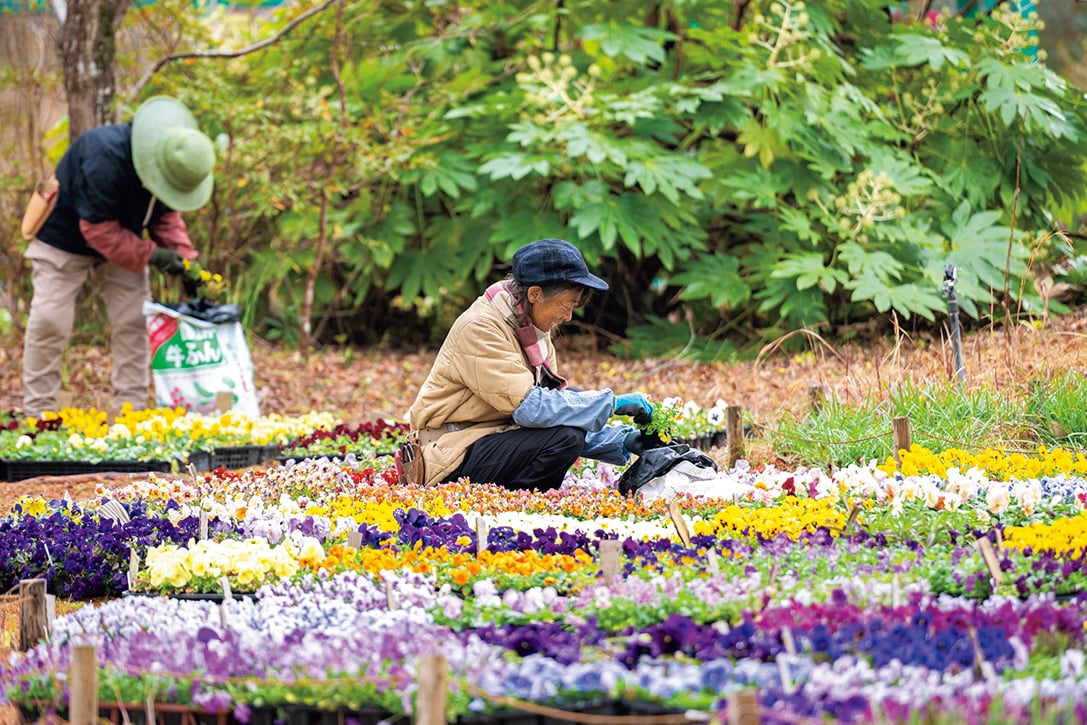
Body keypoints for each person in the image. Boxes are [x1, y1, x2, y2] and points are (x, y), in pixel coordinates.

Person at [405, 237, 662, 490]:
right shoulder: (481, 327)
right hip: (447, 455)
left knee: (567, 410)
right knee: (565, 438)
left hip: (485, 437)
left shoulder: (529, 327)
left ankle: (522, 502)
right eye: (566, 305)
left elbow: (555, 405)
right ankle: (522, 506)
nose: (569, 316)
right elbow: (531, 408)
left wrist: (622, 441)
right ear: (535, 294)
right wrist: (613, 403)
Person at [21, 96, 215, 418]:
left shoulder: (169, 166)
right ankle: (37, 415)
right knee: (50, 320)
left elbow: (164, 216)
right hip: (66, 236)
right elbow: (97, 230)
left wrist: (187, 263)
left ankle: (130, 415)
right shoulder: (104, 157)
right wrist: (153, 255)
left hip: (123, 240)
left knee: (134, 320)